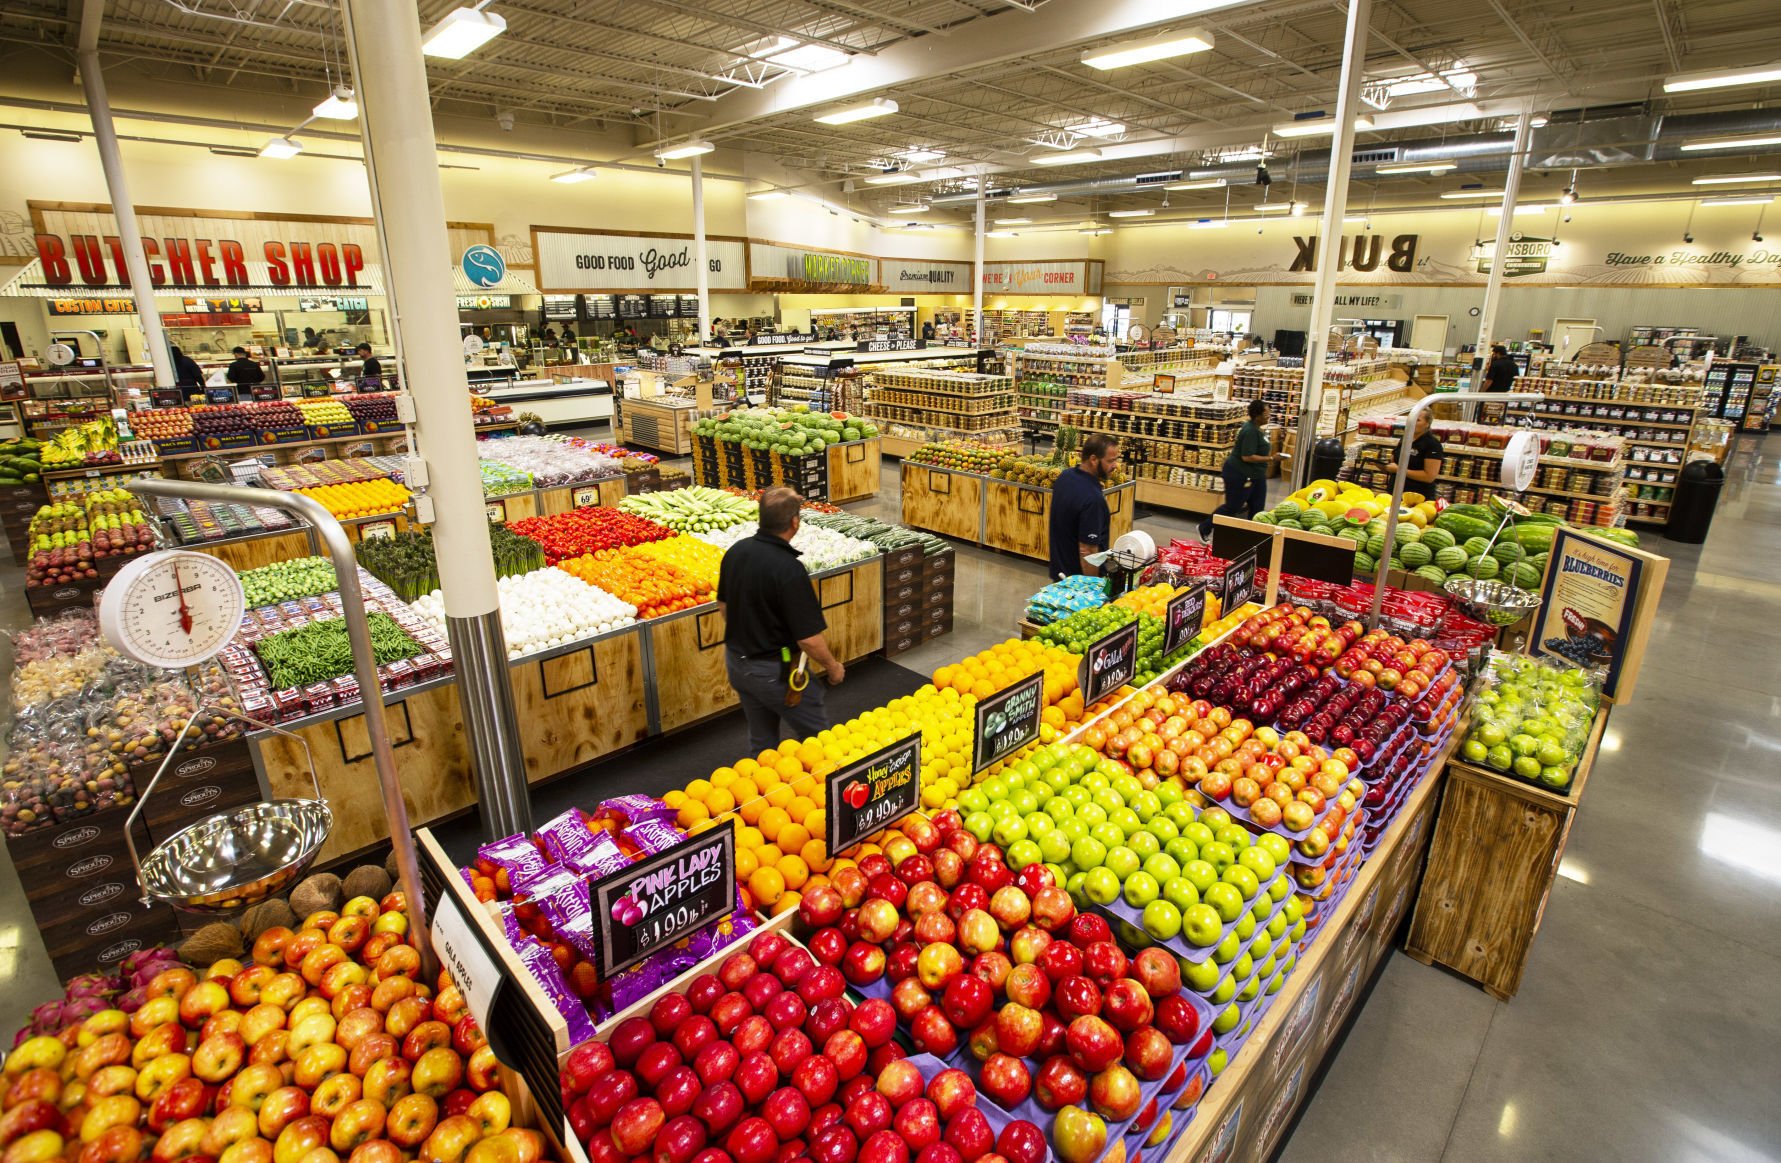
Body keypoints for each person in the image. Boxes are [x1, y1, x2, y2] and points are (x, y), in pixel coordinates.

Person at [716, 487, 844, 753]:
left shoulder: (736, 551)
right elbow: (808, 639)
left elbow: (723, 604)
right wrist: (833, 667)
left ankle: (762, 787)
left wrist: (749, 630)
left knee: (762, 741)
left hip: (738, 662)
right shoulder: (789, 569)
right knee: (817, 741)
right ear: (794, 523)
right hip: (775, 671)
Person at [1049, 434, 1122, 579]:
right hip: (1078, 583)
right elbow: (1088, 551)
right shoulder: (1092, 499)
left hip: (1060, 574)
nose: (1115, 466)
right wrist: (1091, 588)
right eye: (1111, 461)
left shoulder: (1065, 477)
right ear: (1093, 459)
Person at [1200, 400, 1271, 540]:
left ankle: (1251, 539)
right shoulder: (1250, 431)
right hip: (1240, 473)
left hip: (1256, 475)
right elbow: (1247, 456)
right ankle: (1204, 528)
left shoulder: (1257, 429)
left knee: (1257, 508)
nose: (1268, 417)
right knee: (1233, 506)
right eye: (1266, 415)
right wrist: (1271, 459)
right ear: (1257, 416)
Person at [1388, 409, 1444, 485]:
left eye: (1417, 420)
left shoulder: (1433, 444)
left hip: (1416, 494)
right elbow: (1394, 460)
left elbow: (1429, 477)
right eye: (1411, 419)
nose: (1412, 422)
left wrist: (1400, 470)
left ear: (1427, 423)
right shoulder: (1405, 438)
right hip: (1395, 490)